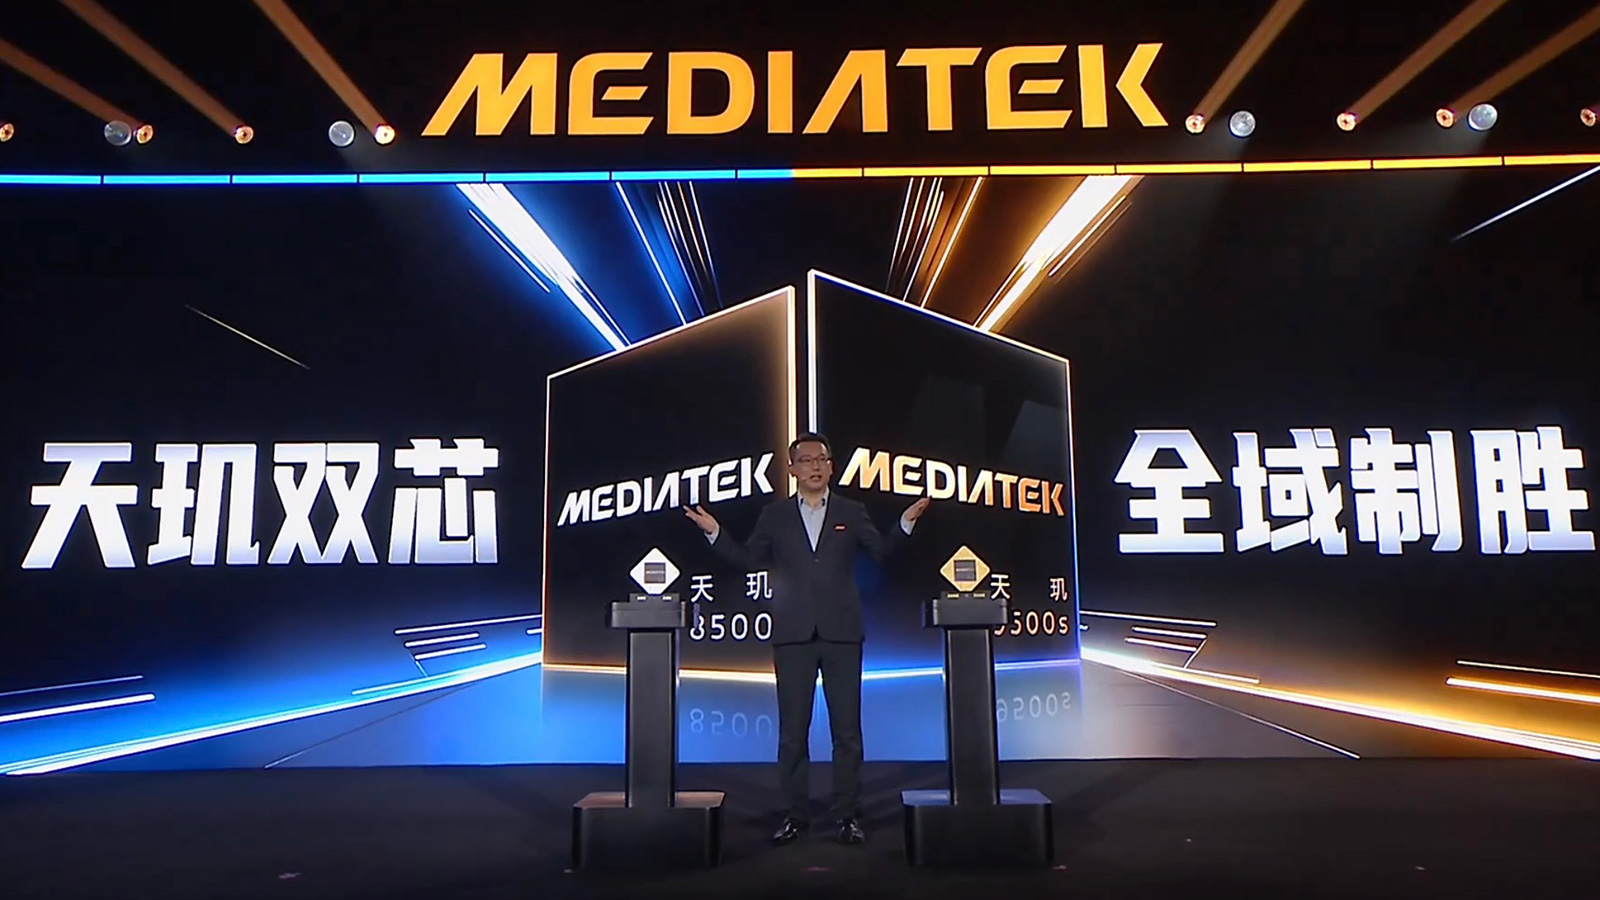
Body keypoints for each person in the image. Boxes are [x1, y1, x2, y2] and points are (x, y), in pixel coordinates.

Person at [684, 432, 929, 846]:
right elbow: (748, 558)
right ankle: (795, 815)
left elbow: (881, 550)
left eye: (822, 459)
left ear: (831, 467)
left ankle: (847, 815)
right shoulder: (775, 515)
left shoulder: (852, 511)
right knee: (792, 734)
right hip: (793, 634)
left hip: (842, 633)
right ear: (792, 468)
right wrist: (714, 532)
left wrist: (904, 524)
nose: (815, 466)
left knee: (846, 733)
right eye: (806, 460)